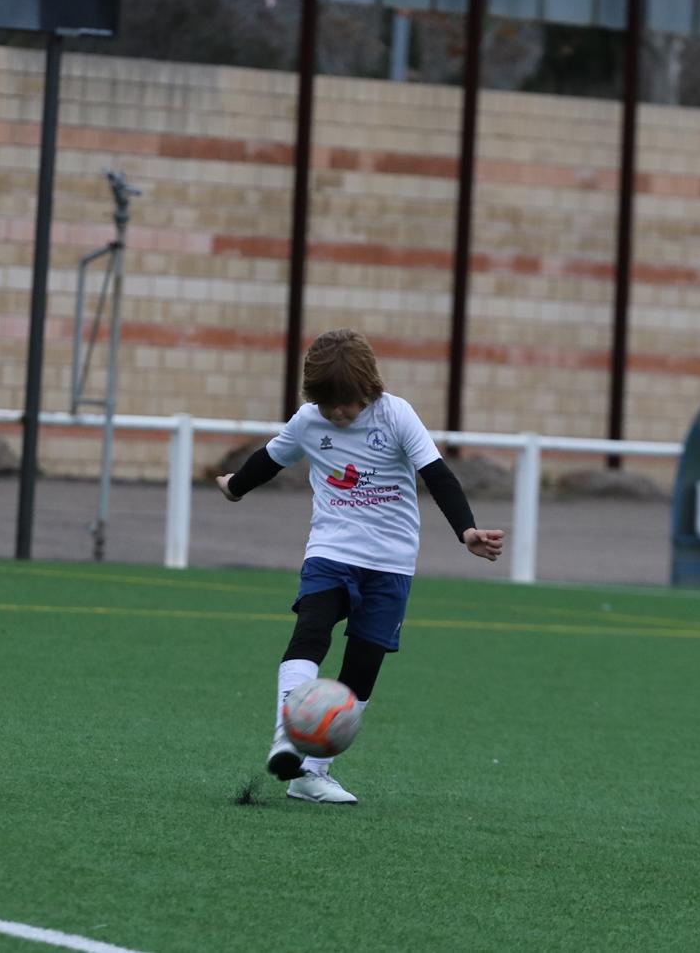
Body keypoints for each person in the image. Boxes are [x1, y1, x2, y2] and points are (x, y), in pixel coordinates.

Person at [216, 329, 505, 805]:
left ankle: (311, 774)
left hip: (391, 563)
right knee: (310, 632)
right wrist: (235, 486)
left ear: (368, 388)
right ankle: (286, 737)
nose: (337, 413)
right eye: (327, 404)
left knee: (363, 665)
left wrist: (466, 531)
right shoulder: (309, 421)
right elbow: (270, 459)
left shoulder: (396, 415)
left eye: (346, 404)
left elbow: (438, 475)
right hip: (331, 551)